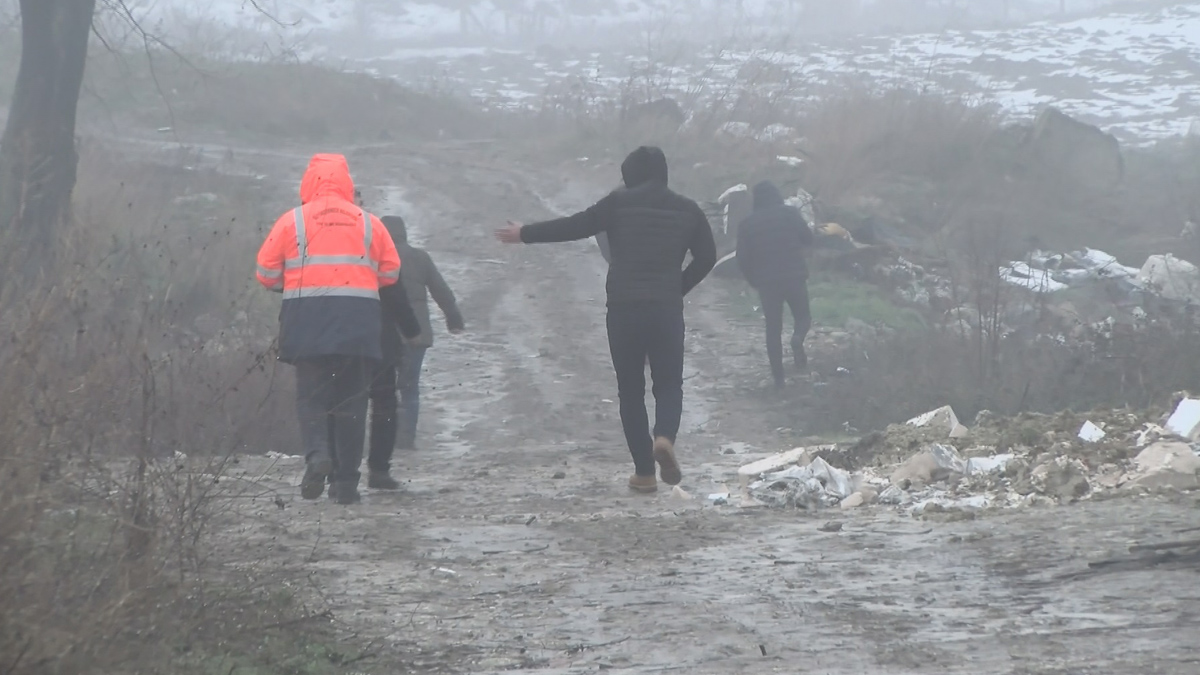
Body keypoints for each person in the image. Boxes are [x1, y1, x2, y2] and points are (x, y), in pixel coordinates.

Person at [495, 146, 717, 494]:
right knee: (669, 385)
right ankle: (664, 439)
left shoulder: (617, 203)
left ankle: (644, 473)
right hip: (665, 310)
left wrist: (525, 233)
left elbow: (575, 226)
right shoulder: (688, 210)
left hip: (624, 309)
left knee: (630, 391)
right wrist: (677, 288)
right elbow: (708, 257)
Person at [256, 153, 401, 505]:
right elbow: (391, 273)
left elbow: (266, 272)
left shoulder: (292, 222)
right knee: (352, 402)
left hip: (308, 317)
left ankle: (318, 455)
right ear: (347, 183)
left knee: (312, 396)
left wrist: (290, 283)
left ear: (308, 183)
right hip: (358, 321)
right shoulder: (369, 223)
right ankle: (347, 484)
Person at [374, 214, 465, 454]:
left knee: (382, 387)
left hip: (383, 332)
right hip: (417, 332)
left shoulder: (375, 259)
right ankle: (406, 440)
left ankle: (385, 439)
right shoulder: (420, 258)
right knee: (410, 387)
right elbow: (441, 290)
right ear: (404, 233)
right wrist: (453, 317)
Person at [735, 180, 814, 388]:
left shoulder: (746, 224)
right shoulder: (789, 213)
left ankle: (779, 380)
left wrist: (754, 280)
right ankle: (797, 338)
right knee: (803, 316)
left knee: (773, 328)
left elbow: (742, 259)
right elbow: (808, 238)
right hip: (794, 276)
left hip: (767, 283)